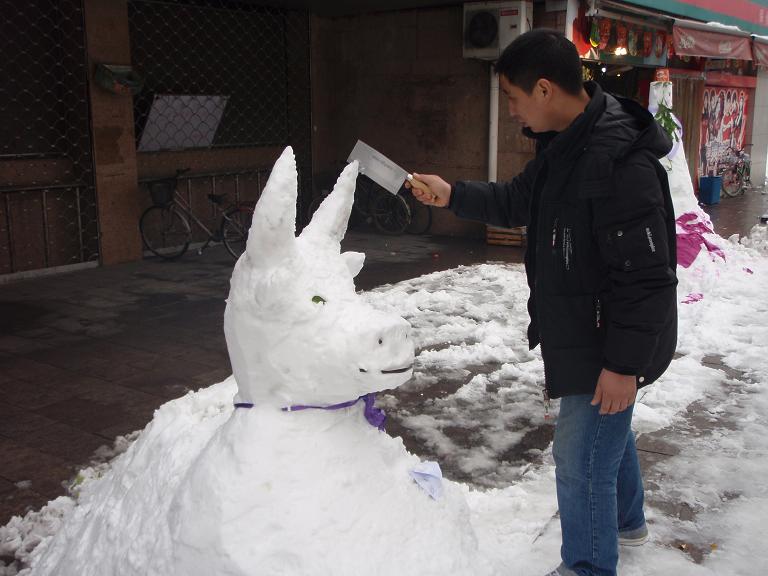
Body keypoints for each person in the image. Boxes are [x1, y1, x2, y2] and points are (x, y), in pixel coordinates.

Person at [407, 29, 678, 576]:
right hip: (583, 325)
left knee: (580, 459)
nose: (510, 110)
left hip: (609, 338)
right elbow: (517, 200)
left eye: (512, 96)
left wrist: (622, 366)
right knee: (607, 433)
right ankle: (627, 522)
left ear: (545, 89)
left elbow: (647, 278)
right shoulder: (565, 144)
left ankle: (587, 567)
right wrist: (452, 194)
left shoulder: (617, 163)